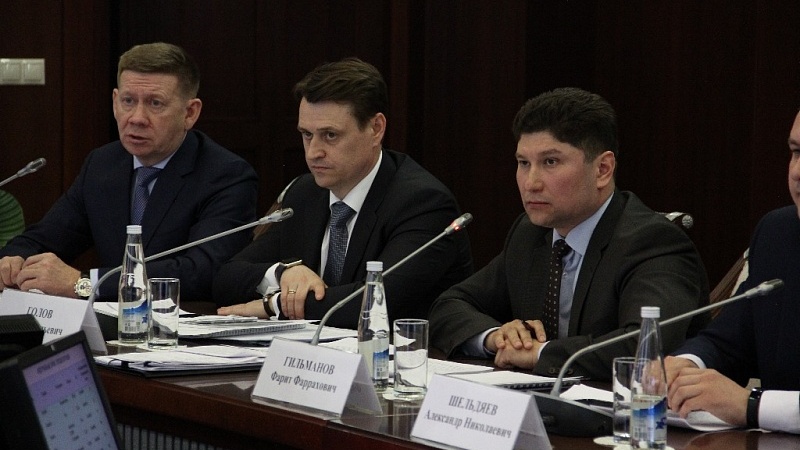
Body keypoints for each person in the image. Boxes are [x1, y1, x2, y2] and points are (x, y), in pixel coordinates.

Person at [428, 87, 709, 381]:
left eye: (550, 162)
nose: (531, 183)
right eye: (524, 163)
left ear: (602, 169)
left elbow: (646, 345)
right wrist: (496, 337)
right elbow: (448, 306)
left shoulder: (653, 241)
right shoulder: (530, 233)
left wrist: (540, 354)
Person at [214, 57, 473, 329]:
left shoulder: (422, 203)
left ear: (376, 129)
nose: (313, 152)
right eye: (307, 134)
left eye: (330, 135)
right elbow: (226, 278)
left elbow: (373, 303)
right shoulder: (305, 193)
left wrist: (274, 305)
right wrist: (284, 273)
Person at [0, 42, 258, 302]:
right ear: (115, 102)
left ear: (190, 113)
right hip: (112, 321)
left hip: (182, 320)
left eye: (155, 103)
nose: (136, 118)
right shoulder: (102, 164)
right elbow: (43, 239)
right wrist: (13, 261)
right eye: (128, 101)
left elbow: (203, 272)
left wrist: (84, 283)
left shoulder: (226, 176)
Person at [665, 110, 800, 434]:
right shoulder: (778, 233)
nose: (797, 172)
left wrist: (751, 406)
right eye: (796, 152)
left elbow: (744, 403)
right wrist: (686, 366)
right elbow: (730, 341)